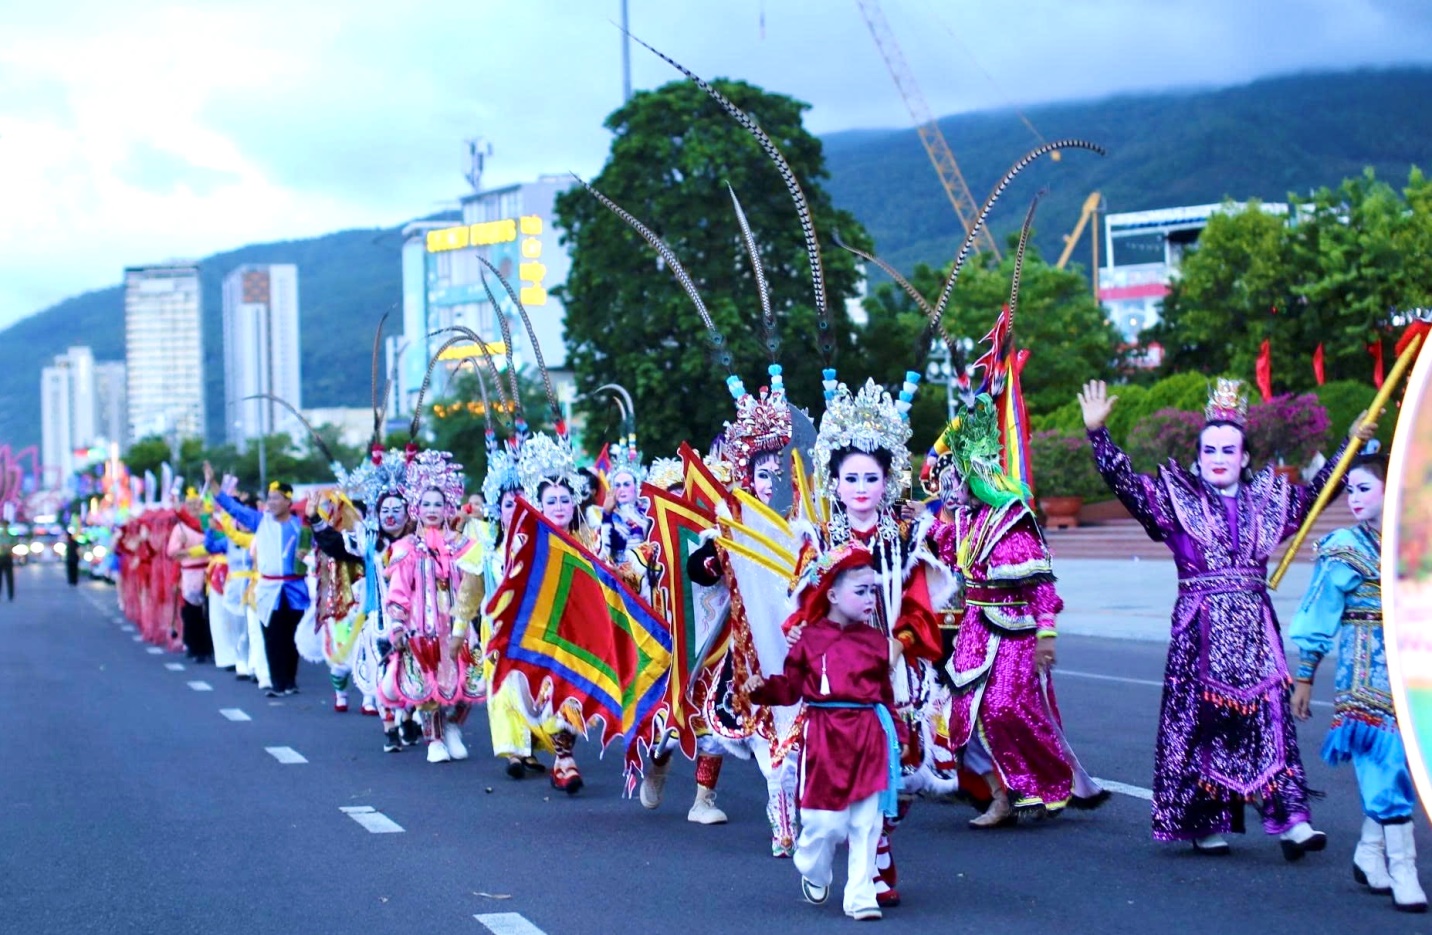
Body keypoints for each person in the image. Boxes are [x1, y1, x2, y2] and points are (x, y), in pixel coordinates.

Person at [1080, 377, 1375, 858]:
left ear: (1244, 457)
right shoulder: (1176, 502)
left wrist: (1352, 443)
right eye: (1210, 449)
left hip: (1257, 632)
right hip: (1200, 634)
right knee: (1200, 726)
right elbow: (1128, 486)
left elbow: (1321, 491)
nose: (1219, 457)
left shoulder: (1271, 500)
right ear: (1199, 456)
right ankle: (1203, 821)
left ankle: (1293, 820)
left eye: (1229, 450)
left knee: (1271, 721)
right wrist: (1099, 436)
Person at [927, 395, 1108, 826]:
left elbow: (1041, 586)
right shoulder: (966, 520)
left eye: (965, 472)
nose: (958, 482)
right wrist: (923, 522)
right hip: (975, 629)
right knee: (957, 715)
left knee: (1004, 707)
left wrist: (1047, 634)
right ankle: (1001, 794)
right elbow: (950, 554)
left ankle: (1040, 783)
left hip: (1014, 631)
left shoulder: (1013, 519)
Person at [1291, 447, 1427, 912]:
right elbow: (1318, 614)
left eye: (1364, 487)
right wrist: (1305, 675)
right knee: (1384, 763)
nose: (1353, 497)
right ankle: (1403, 867)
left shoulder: (1417, 541)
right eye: (1349, 489)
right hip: (1363, 674)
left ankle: (1370, 854)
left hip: (1415, 671)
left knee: (1404, 764)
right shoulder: (1343, 547)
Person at [746, 543, 904, 922]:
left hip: (869, 735)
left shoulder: (878, 643)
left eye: (873, 591)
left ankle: (860, 896)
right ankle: (813, 867)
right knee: (824, 824)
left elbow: (885, 696)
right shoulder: (809, 640)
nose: (870, 599)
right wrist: (761, 689)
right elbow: (790, 688)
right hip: (825, 736)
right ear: (832, 594)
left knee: (868, 822)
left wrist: (899, 736)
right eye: (860, 591)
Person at [381, 449, 482, 764]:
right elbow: (398, 590)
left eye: (438, 504)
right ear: (416, 507)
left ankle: (452, 727)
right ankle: (434, 740)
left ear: (448, 506)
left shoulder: (465, 546)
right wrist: (397, 624)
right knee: (426, 683)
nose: (432, 509)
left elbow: (475, 586)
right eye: (426, 504)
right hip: (420, 626)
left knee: (474, 678)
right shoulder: (405, 548)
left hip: (457, 626)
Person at [208, 464, 311, 697]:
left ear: (288, 501)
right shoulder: (259, 521)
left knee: (292, 636)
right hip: (269, 589)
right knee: (272, 635)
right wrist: (213, 484)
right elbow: (232, 507)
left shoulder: (300, 526)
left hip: (295, 587)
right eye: (269, 499)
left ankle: (290, 680)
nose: (271, 503)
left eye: (276, 499)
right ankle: (277, 683)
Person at [167, 491, 214, 663]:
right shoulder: (180, 528)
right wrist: (185, 548)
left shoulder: (209, 524)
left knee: (210, 612)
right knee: (192, 612)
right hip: (190, 572)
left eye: (197, 504)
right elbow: (171, 552)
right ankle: (194, 646)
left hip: (210, 571)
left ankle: (210, 647)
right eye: (190, 505)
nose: (194, 508)